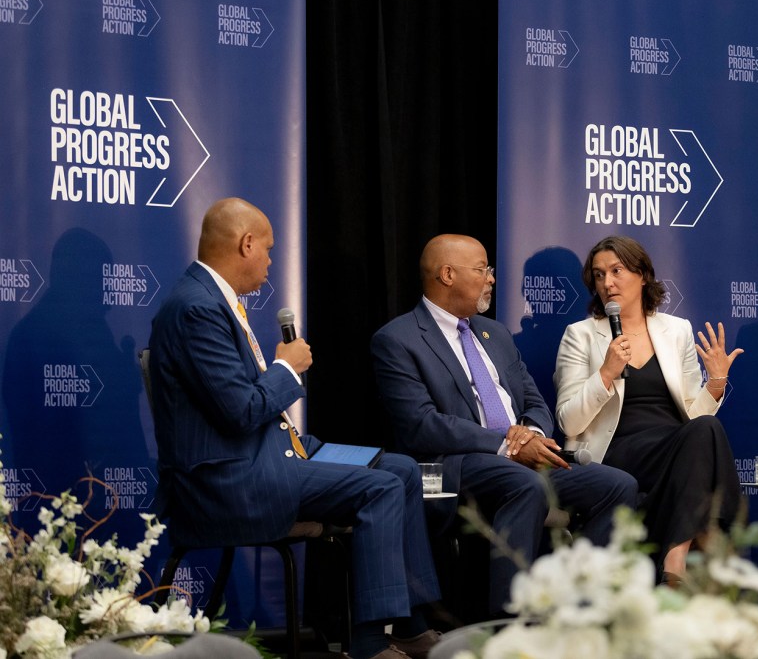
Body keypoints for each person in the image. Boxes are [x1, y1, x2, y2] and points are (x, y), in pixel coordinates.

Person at [148, 197, 442, 659]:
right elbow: (241, 412)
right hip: (229, 481)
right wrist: (286, 369)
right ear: (246, 244)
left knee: (402, 469)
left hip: (272, 453)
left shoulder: (212, 301)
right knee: (381, 489)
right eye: (266, 249)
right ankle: (368, 644)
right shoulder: (196, 310)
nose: (269, 261)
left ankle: (407, 623)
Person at [370, 233, 638, 618]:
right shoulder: (398, 339)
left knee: (616, 486)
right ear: (447, 274)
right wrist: (505, 444)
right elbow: (421, 425)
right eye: (482, 270)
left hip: (524, 454)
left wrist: (530, 432)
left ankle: (579, 613)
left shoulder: (493, 333)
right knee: (523, 484)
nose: (492, 278)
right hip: (454, 463)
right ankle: (509, 627)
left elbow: (533, 401)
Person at [552, 235, 743, 584]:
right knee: (705, 435)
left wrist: (715, 382)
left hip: (673, 446)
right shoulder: (579, 335)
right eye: (598, 275)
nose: (607, 283)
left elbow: (692, 412)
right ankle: (709, 547)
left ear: (643, 275)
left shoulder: (676, 330)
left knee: (705, 429)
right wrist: (606, 373)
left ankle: (676, 556)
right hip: (617, 451)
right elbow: (568, 421)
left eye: (616, 270)